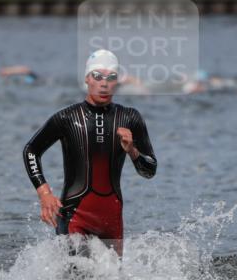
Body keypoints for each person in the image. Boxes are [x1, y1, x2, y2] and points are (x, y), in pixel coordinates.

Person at [23, 49, 157, 256]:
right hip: (75, 215)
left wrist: (132, 151)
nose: (104, 83)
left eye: (111, 77)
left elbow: (150, 170)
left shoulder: (130, 118)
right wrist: (45, 194)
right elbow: (31, 150)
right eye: (97, 76)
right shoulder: (66, 118)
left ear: (117, 82)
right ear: (87, 79)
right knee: (75, 279)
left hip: (111, 219)